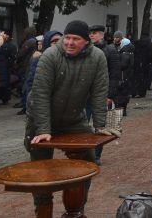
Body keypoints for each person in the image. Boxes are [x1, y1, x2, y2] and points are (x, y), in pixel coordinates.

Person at [25, 20, 110, 212]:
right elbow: (40, 94)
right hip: (40, 117)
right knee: (41, 170)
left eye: (76, 39)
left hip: (74, 118)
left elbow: (99, 93)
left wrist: (100, 126)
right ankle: (43, 209)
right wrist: (44, 129)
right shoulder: (50, 55)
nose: (70, 42)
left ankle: (76, 209)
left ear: (87, 42)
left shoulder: (98, 57)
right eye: (67, 38)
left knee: (87, 162)